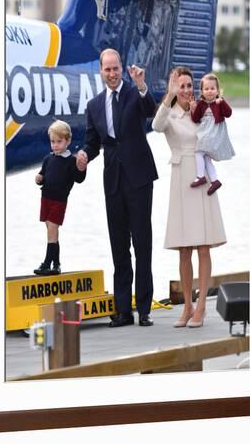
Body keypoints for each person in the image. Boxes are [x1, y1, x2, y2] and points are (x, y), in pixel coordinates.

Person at [76, 48, 158, 327]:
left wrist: (143, 85)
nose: (112, 74)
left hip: (139, 177)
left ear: (122, 68)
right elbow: (92, 142)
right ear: (100, 71)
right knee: (118, 244)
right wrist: (85, 155)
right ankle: (123, 309)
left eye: (115, 68)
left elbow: (151, 112)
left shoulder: (136, 93)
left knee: (142, 242)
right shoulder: (94, 105)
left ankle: (144, 308)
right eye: (107, 69)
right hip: (112, 180)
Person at [152, 67, 227, 328]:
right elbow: (156, 125)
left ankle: (202, 306)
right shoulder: (169, 111)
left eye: (188, 85)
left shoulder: (201, 109)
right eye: (181, 86)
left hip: (201, 176)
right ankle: (187, 306)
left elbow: (214, 134)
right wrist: (168, 96)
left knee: (203, 246)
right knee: (184, 249)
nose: (185, 90)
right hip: (180, 178)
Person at [34, 120, 86, 275]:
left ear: (68, 141)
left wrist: (82, 168)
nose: (55, 145)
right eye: (52, 142)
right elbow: (43, 174)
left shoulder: (71, 161)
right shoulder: (48, 159)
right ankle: (56, 264)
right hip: (46, 198)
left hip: (59, 201)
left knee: (52, 229)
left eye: (59, 141)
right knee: (50, 230)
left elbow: (78, 178)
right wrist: (38, 178)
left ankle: (47, 263)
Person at [190, 73, 235, 195]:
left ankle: (201, 176)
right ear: (202, 91)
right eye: (206, 89)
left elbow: (228, 113)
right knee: (206, 158)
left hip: (214, 134)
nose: (209, 91)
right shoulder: (201, 104)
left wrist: (222, 102)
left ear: (217, 90)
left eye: (212, 88)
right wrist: (192, 109)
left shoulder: (219, 102)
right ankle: (214, 181)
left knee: (199, 152)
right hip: (205, 133)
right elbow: (195, 119)